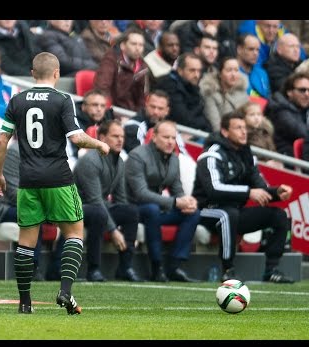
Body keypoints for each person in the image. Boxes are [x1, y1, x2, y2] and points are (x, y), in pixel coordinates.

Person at [0, 52, 109, 315]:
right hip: (58, 177)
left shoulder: (17, 100)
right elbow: (77, 139)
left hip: (28, 180)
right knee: (74, 233)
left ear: (33, 74)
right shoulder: (63, 99)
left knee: (26, 242)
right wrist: (99, 143)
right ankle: (65, 291)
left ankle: (25, 303)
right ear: (56, 73)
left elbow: (1, 141)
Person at [192, 110, 294, 283]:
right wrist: (248, 193)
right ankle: (228, 269)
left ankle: (271, 270)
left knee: (279, 216)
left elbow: (260, 187)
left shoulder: (247, 155)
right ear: (225, 132)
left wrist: (276, 192)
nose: (244, 131)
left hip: (235, 211)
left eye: (244, 128)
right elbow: (214, 190)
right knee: (227, 214)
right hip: (206, 210)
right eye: (238, 128)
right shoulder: (211, 155)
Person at [125, 120, 200, 282]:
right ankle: (156, 266)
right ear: (154, 137)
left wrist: (187, 202)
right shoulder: (137, 156)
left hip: (158, 208)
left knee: (192, 213)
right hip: (133, 208)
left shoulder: (174, 159)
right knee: (151, 210)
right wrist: (174, 203)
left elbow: (177, 189)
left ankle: (174, 266)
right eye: (166, 137)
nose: (170, 141)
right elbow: (140, 193)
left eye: (173, 138)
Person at [74, 119, 142, 282]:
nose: (120, 140)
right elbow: (95, 200)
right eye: (115, 136)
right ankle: (93, 269)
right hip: (76, 208)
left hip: (98, 207)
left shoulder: (119, 162)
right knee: (98, 213)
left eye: (122, 136)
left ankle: (125, 267)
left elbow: (120, 199)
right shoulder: (90, 160)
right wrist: (114, 231)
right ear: (102, 138)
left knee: (130, 212)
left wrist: (123, 229)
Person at [0, 139, 45, 280]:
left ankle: (57, 268)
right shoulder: (14, 151)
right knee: (34, 215)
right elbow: (13, 192)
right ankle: (31, 267)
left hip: (20, 204)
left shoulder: (37, 153)